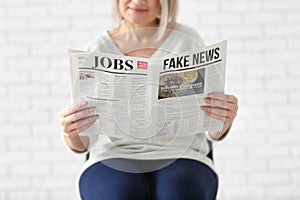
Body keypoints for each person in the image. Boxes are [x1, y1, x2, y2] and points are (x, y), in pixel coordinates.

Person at [59, 0, 238, 199]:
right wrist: (71, 132)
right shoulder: (96, 50)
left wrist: (223, 118)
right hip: (112, 156)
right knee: (118, 194)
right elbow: (82, 144)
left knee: (178, 192)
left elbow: (213, 130)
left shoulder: (187, 41)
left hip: (183, 155)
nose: (137, 1)